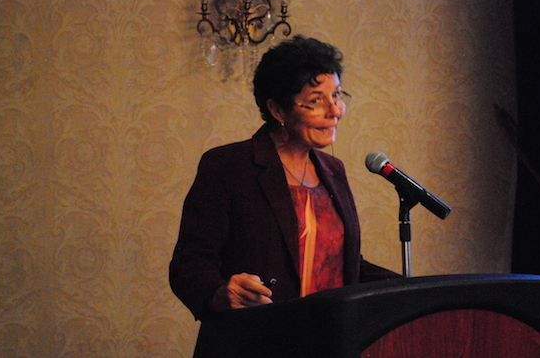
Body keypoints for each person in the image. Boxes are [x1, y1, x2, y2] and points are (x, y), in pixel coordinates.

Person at [169, 35, 399, 326]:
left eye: (337, 96)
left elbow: (343, 265)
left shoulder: (333, 171)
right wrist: (218, 293)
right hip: (256, 340)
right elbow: (189, 264)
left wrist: (410, 291)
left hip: (330, 340)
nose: (334, 111)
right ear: (277, 110)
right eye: (316, 101)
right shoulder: (229, 166)